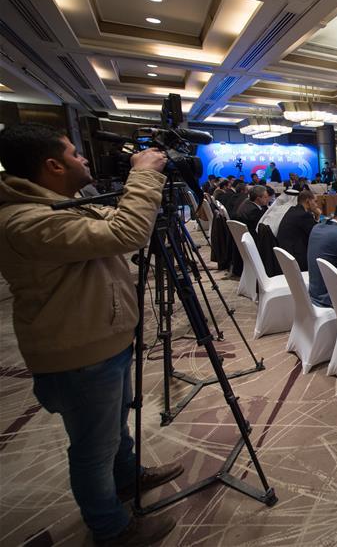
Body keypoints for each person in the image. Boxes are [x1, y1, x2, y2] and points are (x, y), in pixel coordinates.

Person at [0, 124, 182, 545]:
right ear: (51, 166)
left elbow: (113, 228)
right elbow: (127, 232)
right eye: (74, 154)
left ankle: (127, 479)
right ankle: (111, 528)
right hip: (77, 353)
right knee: (92, 450)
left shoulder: (57, 204)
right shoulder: (24, 220)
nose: (85, 159)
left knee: (115, 431)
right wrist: (146, 175)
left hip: (101, 338)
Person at [276, 190, 319, 271]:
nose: (316, 205)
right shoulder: (304, 215)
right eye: (315, 201)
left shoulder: (293, 210)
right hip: (298, 259)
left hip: (287, 255)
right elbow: (316, 234)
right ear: (308, 201)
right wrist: (318, 215)